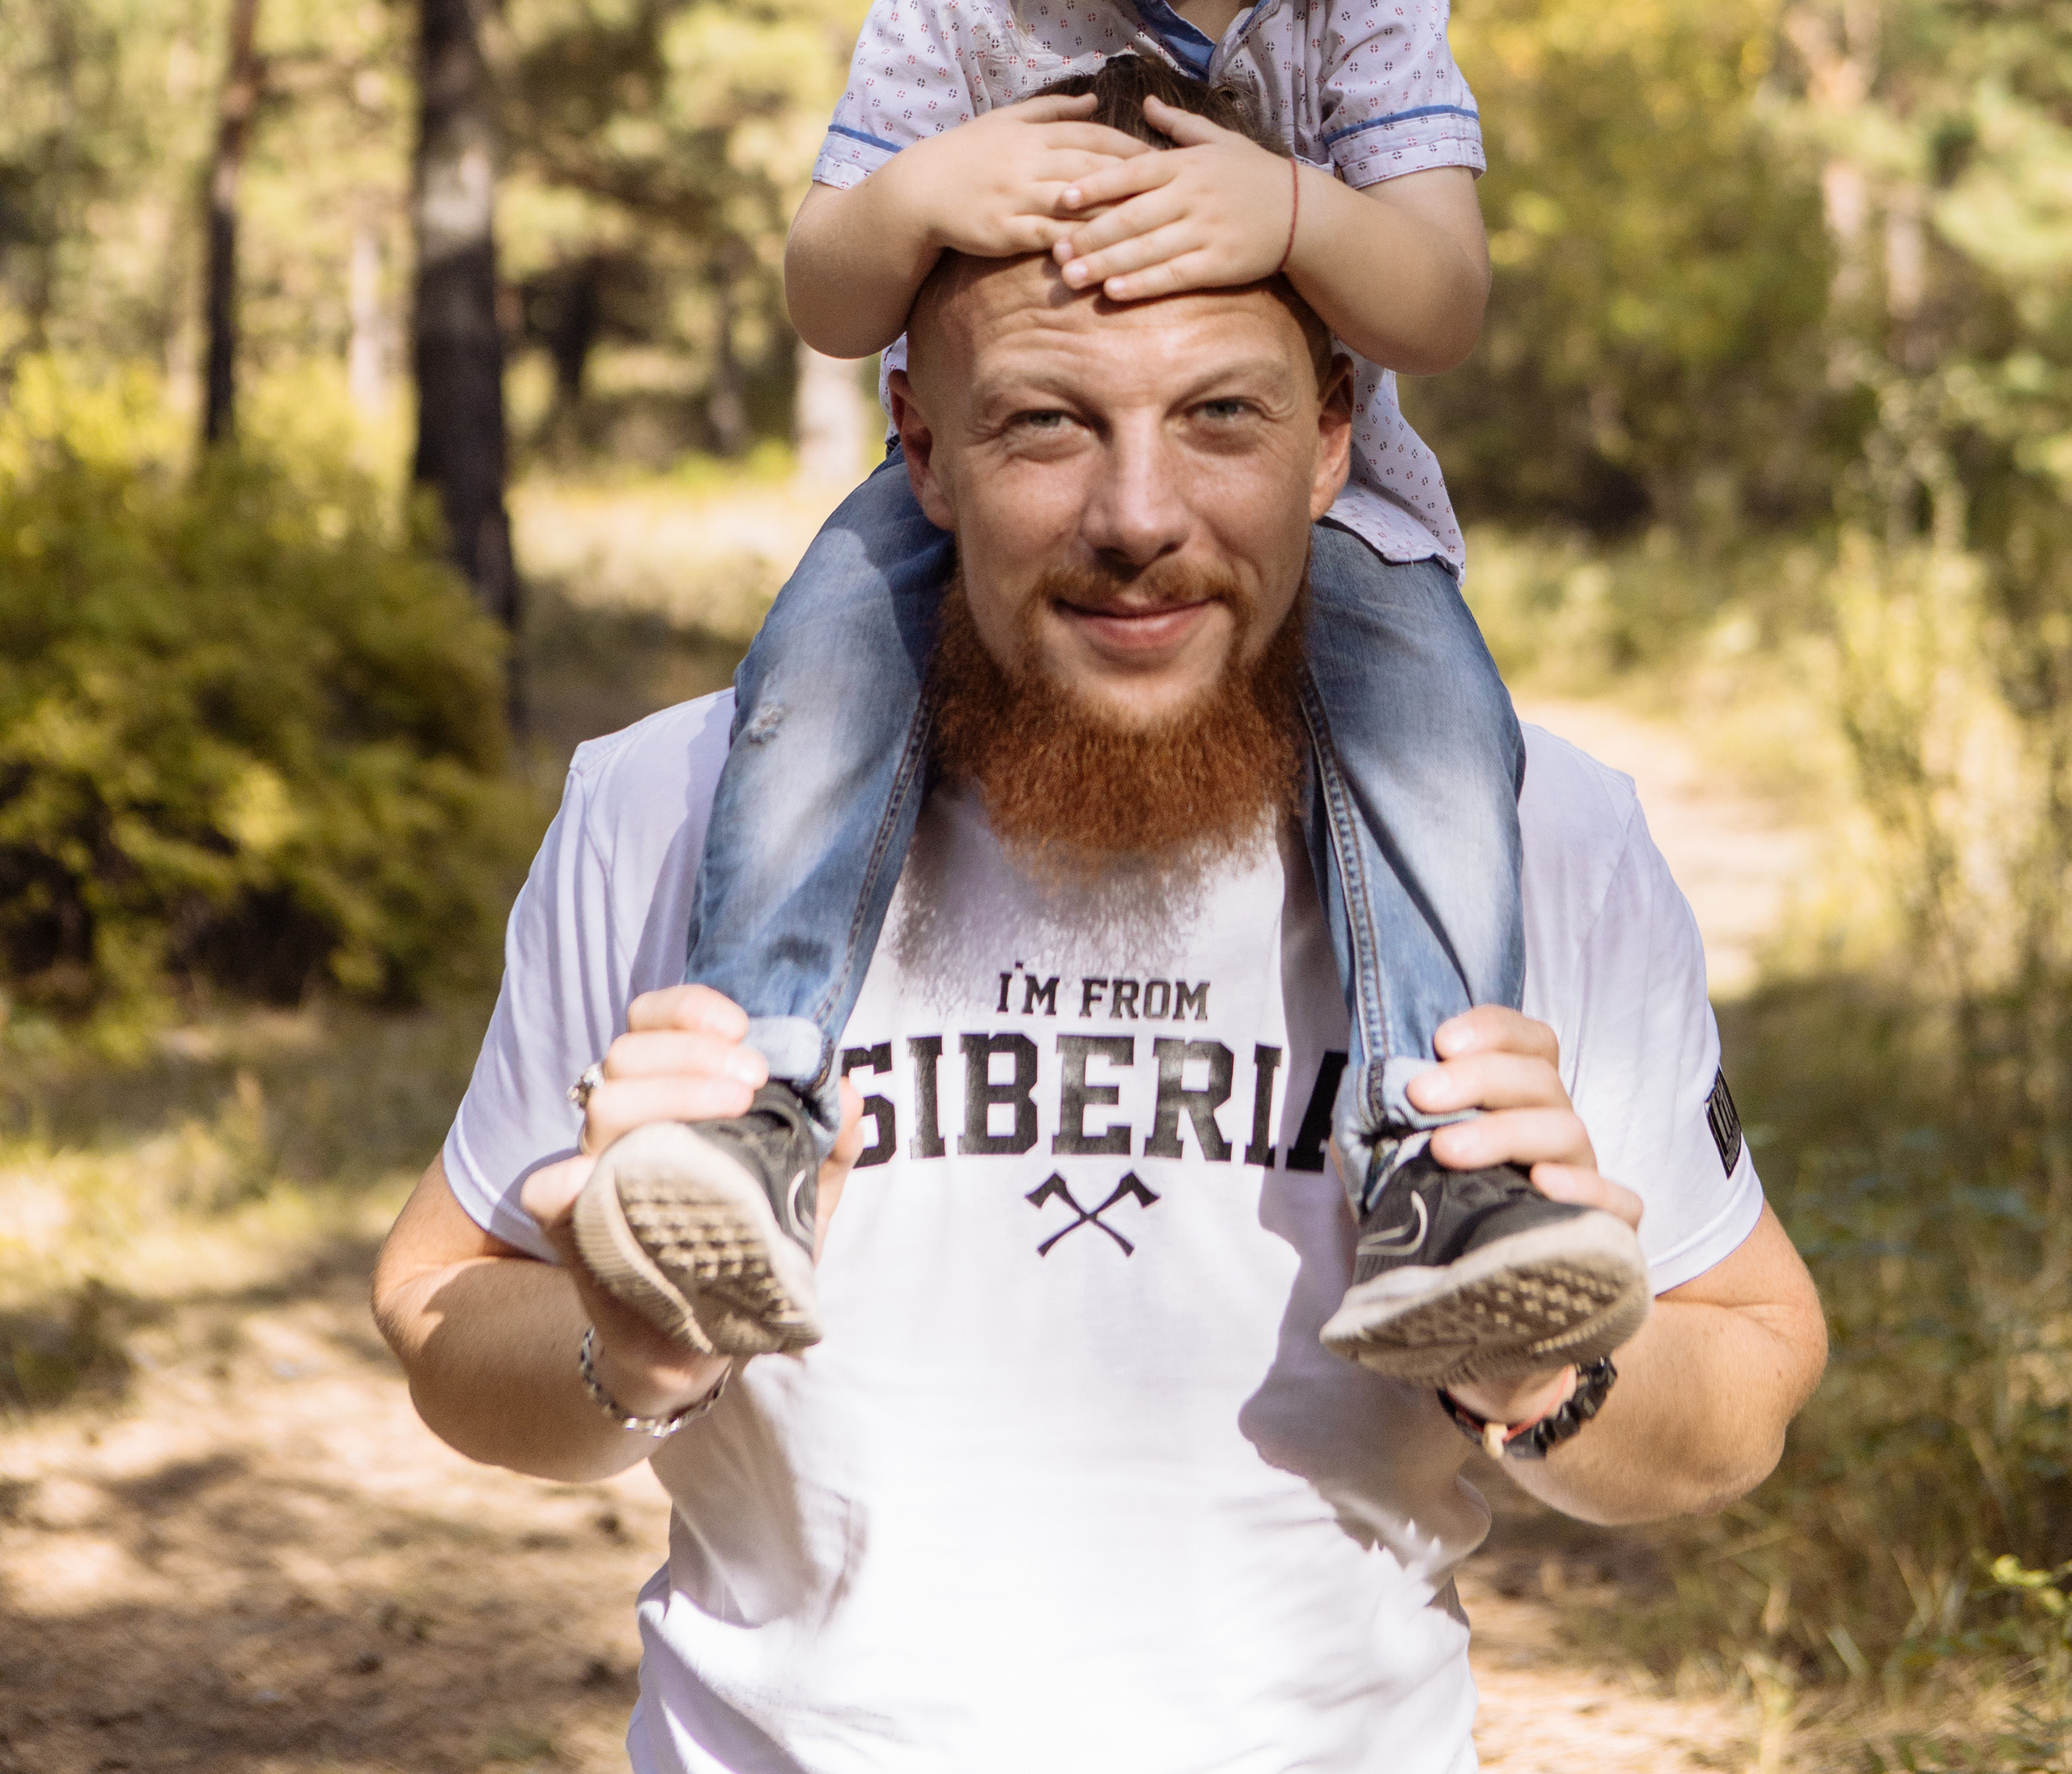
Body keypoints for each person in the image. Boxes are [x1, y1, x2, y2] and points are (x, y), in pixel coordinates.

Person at [372, 204, 1827, 1774]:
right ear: (919, 451)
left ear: (1333, 435)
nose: (1136, 515)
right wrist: (630, 1349)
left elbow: (1745, 1370)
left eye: (1220, 416)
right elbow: (439, 1305)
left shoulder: (1534, 837)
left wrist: (1547, 1373)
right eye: (1042, 425)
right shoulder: (676, 809)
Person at [573, 0, 1647, 1386]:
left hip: (1315, 511)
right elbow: (825, 295)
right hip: (976, 493)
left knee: (1430, 725)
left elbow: (1446, 295)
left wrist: (1291, 205)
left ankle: (1439, 1159)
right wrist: (909, 197)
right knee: (813, 672)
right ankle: (756, 1098)